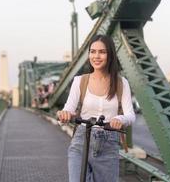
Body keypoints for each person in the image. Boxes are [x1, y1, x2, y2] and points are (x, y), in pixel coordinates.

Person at [57, 34, 136, 182]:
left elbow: (131, 115)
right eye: (92, 51)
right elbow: (69, 107)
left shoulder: (121, 83)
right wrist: (64, 113)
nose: (96, 56)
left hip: (108, 144)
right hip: (81, 142)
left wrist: (120, 118)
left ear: (110, 54)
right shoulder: (80, 81)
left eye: (102, 52)